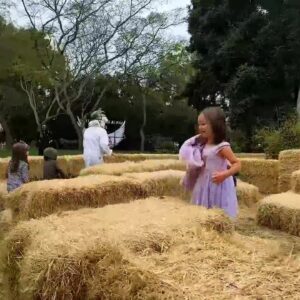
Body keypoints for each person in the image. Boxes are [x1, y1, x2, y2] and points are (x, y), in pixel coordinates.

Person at [179, 107, 241, 218]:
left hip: (217, 184)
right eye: (199, 124)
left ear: (215, 125)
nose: (200, 127)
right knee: (202, 212)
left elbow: (237, 164)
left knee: (216, 211)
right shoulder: (202, 144)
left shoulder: (222, 147)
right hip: (203, 182)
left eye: (204, 124)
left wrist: (224, 175)